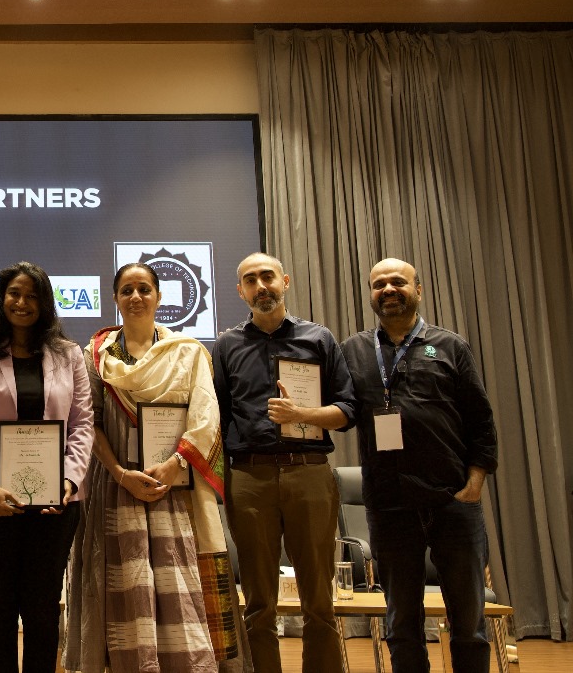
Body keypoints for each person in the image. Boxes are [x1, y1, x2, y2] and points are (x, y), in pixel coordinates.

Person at [66, 262, 248, 673]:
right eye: (127, 290)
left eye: (144, 289)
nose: (136, 297)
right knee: (125, 585)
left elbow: (206, 417)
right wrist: (120, 473)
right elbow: (89, 423)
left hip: (176, 487)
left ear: (159, 297)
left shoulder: (188, 352)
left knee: (177, 581)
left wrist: (175, 463)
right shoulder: (95, 356)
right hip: (117, 487)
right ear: (115, 298)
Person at [341, 258, 498, 673]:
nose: (388, 290)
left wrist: (474, 483)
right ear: (371, 294)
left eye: (398, 282)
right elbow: (341, 412)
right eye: (379, 284)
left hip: (452, 501)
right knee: (401, 623)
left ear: (418, 290)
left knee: (469, 622)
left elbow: (481, 421)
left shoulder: (450, 346)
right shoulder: (353, 350)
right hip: (389, 504)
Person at [212, 252, 357, 673]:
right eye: (250, 280)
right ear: (240, 291)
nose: (261, 286)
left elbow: (348, 410)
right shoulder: (227, 345)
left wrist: (303, 415)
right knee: (258, 604)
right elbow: (217, 416)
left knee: (319, 602)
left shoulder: (319, 338)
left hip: (308, 473)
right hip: (248, 477)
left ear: (285, 281)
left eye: (267, 277)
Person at [0, 261, 94, 673]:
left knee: (43, 607)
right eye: (14, 293)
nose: (22, 302)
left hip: (55, 502)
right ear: (1, 299)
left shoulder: (69, 354)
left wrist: (70, 479)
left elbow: (82, 423)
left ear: (44, 302)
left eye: (31, 295)